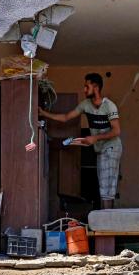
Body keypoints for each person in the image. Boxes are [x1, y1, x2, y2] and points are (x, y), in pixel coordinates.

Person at [39, 72, 122, 209]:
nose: (84, 90)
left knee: (107, 188)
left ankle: (107, 222)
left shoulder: (109, 106)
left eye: (86, 86)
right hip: (100, 149)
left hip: (112, 147)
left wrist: (95, 137)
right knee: (104, 186)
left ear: (95, 87)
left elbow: (116, 131)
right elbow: (66, 117)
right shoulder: (85, 104)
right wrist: (44, 113)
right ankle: (106, 220)